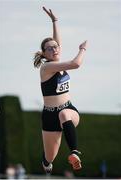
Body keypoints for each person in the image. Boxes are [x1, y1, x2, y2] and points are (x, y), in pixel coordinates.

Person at [33, 6, 87, 174]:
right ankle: (46, 160)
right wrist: (82, 49)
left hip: (68, 110)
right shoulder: (47, 67)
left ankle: (75, 152)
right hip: (49, 116)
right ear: (44, 54)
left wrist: (54, 21)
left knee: (63, 114)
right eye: (50, 48)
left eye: (56, 47)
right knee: (50, 157)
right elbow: (76, 64)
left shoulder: (56, 58)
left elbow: (57, 42)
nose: (54, 49)